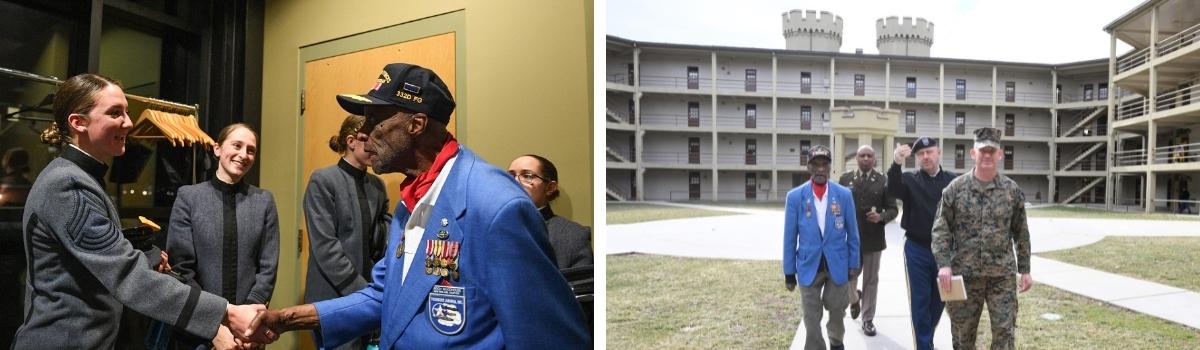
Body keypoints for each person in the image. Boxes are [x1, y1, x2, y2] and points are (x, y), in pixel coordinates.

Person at [244, 63, 590, 348]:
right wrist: (285, 319)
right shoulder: (413, 199)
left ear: (416, 124)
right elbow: (386, 295)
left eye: (375, 119)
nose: (365, 132)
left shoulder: (495, 205)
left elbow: (549, 337)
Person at [13, 73, 262, 349]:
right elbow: (127, 275)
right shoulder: (68, 184)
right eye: (115, 113)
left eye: (127, 112)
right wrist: (224, 312)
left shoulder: (80, 177)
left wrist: (149, 254)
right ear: (78, 122)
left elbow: (102, 249)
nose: (129, 123)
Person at [167, 123, 280, 349]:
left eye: (251, 150)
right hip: (198, 330)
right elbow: (181, 269)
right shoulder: (189, 197)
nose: (243, 154)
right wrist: (214, 324)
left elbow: (268, 267)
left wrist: (246, 324)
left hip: (248, 332)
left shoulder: (264, 201)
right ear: (217, 149)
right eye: (237, 145)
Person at [931, 127, 1034, 350]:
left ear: (999, 154)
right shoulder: (954, 190)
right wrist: (944, 265)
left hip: (1002, 277)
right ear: (972, 153)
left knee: (1004, 334)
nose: (987, 155)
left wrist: (1025, 270)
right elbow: (941, 229)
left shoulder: (1011, 191)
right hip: (965, 276)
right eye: (982, 150)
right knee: (962, 335)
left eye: (992, 151)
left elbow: (1021, 232)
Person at [302, 114, 392, 350]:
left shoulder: (377, 186)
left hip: (370, 294)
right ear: (351, 141)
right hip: (333, 296)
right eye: (367, 139)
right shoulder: (323, 180)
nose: (374, 146)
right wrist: (363, 293)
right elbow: (325, 248)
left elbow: (385, 238)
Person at [782, 145, 861, 350]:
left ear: (829, 167)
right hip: (808, 265)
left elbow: (853, 234)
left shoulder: (843, 195)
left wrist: (854, 264)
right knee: (811, 316)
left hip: (837, 264)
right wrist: (789, 272)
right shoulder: (795, 197)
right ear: (809, 167)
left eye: (824, 164)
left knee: (837, 310)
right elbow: (790, 238)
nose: (820, 169)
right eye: (815, 164)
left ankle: (836, 343)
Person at [888, 136, 957, 350]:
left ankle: (926, 338)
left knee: (939, 300)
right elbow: (891, 190)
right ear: (916, 158)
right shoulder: (909, 180)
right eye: (920, 154)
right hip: (917, 248)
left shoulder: (953, 181)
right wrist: (896, 163)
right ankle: (924, 346)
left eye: (929, 152)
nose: (925, 157)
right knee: (920, 300)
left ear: (939, 152)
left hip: (945, 252)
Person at [836, 144, 897, 337]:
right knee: (848, 279)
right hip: (850, 240)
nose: (865, 158)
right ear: (856, 158)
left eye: (869, 155)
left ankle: (868, 319)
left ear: (874, 159)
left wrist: (881, 217)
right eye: (861, 155)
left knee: (871, 280)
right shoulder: (845, 179)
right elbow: (836, 207)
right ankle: (855, 300)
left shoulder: (883, 181)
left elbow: (893, 209)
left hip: (873, 240)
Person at [507, 154, 593, 269]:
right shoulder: (489, 228)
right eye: (510, 176)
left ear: (550, 188)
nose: (515, 182)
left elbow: (582, 285)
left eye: (527, 176)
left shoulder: (573, 235)